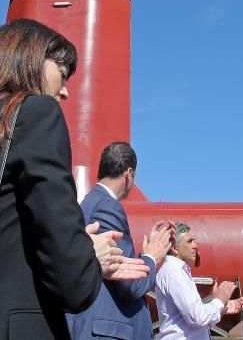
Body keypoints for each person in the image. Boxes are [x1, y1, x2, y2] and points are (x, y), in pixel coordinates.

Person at [0, 19, 149, 340]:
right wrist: (88, 255)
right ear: (29, 60)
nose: (64, 91)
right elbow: (73, 286)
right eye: (62, 74)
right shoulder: (36, 113)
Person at [69, 141, 174, 340]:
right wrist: (152, 257)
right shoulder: (108, 206)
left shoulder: (89, 203)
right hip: (108, 332)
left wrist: (143, 255)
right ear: (128, 174)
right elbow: (130, 285)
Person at [154, 223, 243, 339]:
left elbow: (194, 321)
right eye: (190, 241)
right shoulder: (174, 273)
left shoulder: (178, 272)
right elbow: (197, 318)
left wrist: (221, 308)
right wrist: (218, 301)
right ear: (175, 248)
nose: (195, 246)